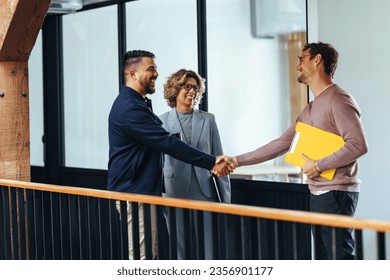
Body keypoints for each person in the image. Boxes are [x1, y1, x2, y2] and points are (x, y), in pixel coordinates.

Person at [221, 42, 368, 260]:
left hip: (336, 194)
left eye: (301, 58)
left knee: (341, 261)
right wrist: (236, 160)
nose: (297, 65)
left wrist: (318, 165)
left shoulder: (338, 99)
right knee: (323, 261)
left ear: (317, 60)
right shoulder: (309, 109)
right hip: (318, 194)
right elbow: (279, 144)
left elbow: (357, 144)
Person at [107, 50, 234, 260]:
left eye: (155, 68)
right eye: (151, 69)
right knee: (143, 258)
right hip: (135, 194)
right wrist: (212, 162)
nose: (156, 73)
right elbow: (168, 143)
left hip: (143, 192)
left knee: (148, 254)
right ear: (132, 73)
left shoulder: (137, 104)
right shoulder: (131, 109)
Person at [159, 69, 231, 259]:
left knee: (209, 247)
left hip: (205, 190)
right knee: (179, 246)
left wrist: (226, 200)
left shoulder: (208, 120)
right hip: (174, 190)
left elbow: (219, 158)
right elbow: (157, 161)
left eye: (196, 88)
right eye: (187, 86)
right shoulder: (161, 122)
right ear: (175, 88)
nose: (192, 92)